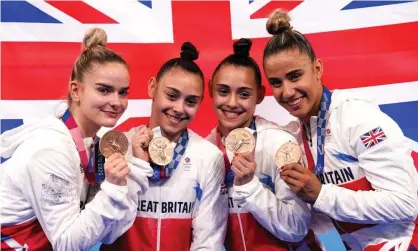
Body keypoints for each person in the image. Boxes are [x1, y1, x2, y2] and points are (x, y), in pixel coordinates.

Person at [262, 9, 418, 250]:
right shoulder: (292, 135)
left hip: (406, 240)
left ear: (317, 69)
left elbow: (405, 203)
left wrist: (321, 194)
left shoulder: (356, 117)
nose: (287, 91)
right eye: (276, 83)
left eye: (295, 76)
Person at [0, 28, 153, 251]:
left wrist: (136, 169)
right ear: (76, 90)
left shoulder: (91, 145)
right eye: (104, 90)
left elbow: (107, 232)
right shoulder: (51, 150)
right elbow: (67, 243)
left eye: (123, 92)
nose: (116, 102)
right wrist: (112, 188)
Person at [101, 42, 228, 251]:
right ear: (153, 87)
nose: (179, 108)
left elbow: (208, 242)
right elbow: (104, 233)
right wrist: (135, 169)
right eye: (171, 95)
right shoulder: (115, 148)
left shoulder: (208, 156)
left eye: (191, 101)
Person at [206, 38, 311, 251]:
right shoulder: (205, 150)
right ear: (210, 89)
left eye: (244, 94)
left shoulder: (279, 142)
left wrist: (250, 186)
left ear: (260, 95)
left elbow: (297, 227)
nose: (232, 103)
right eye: (223, 91)